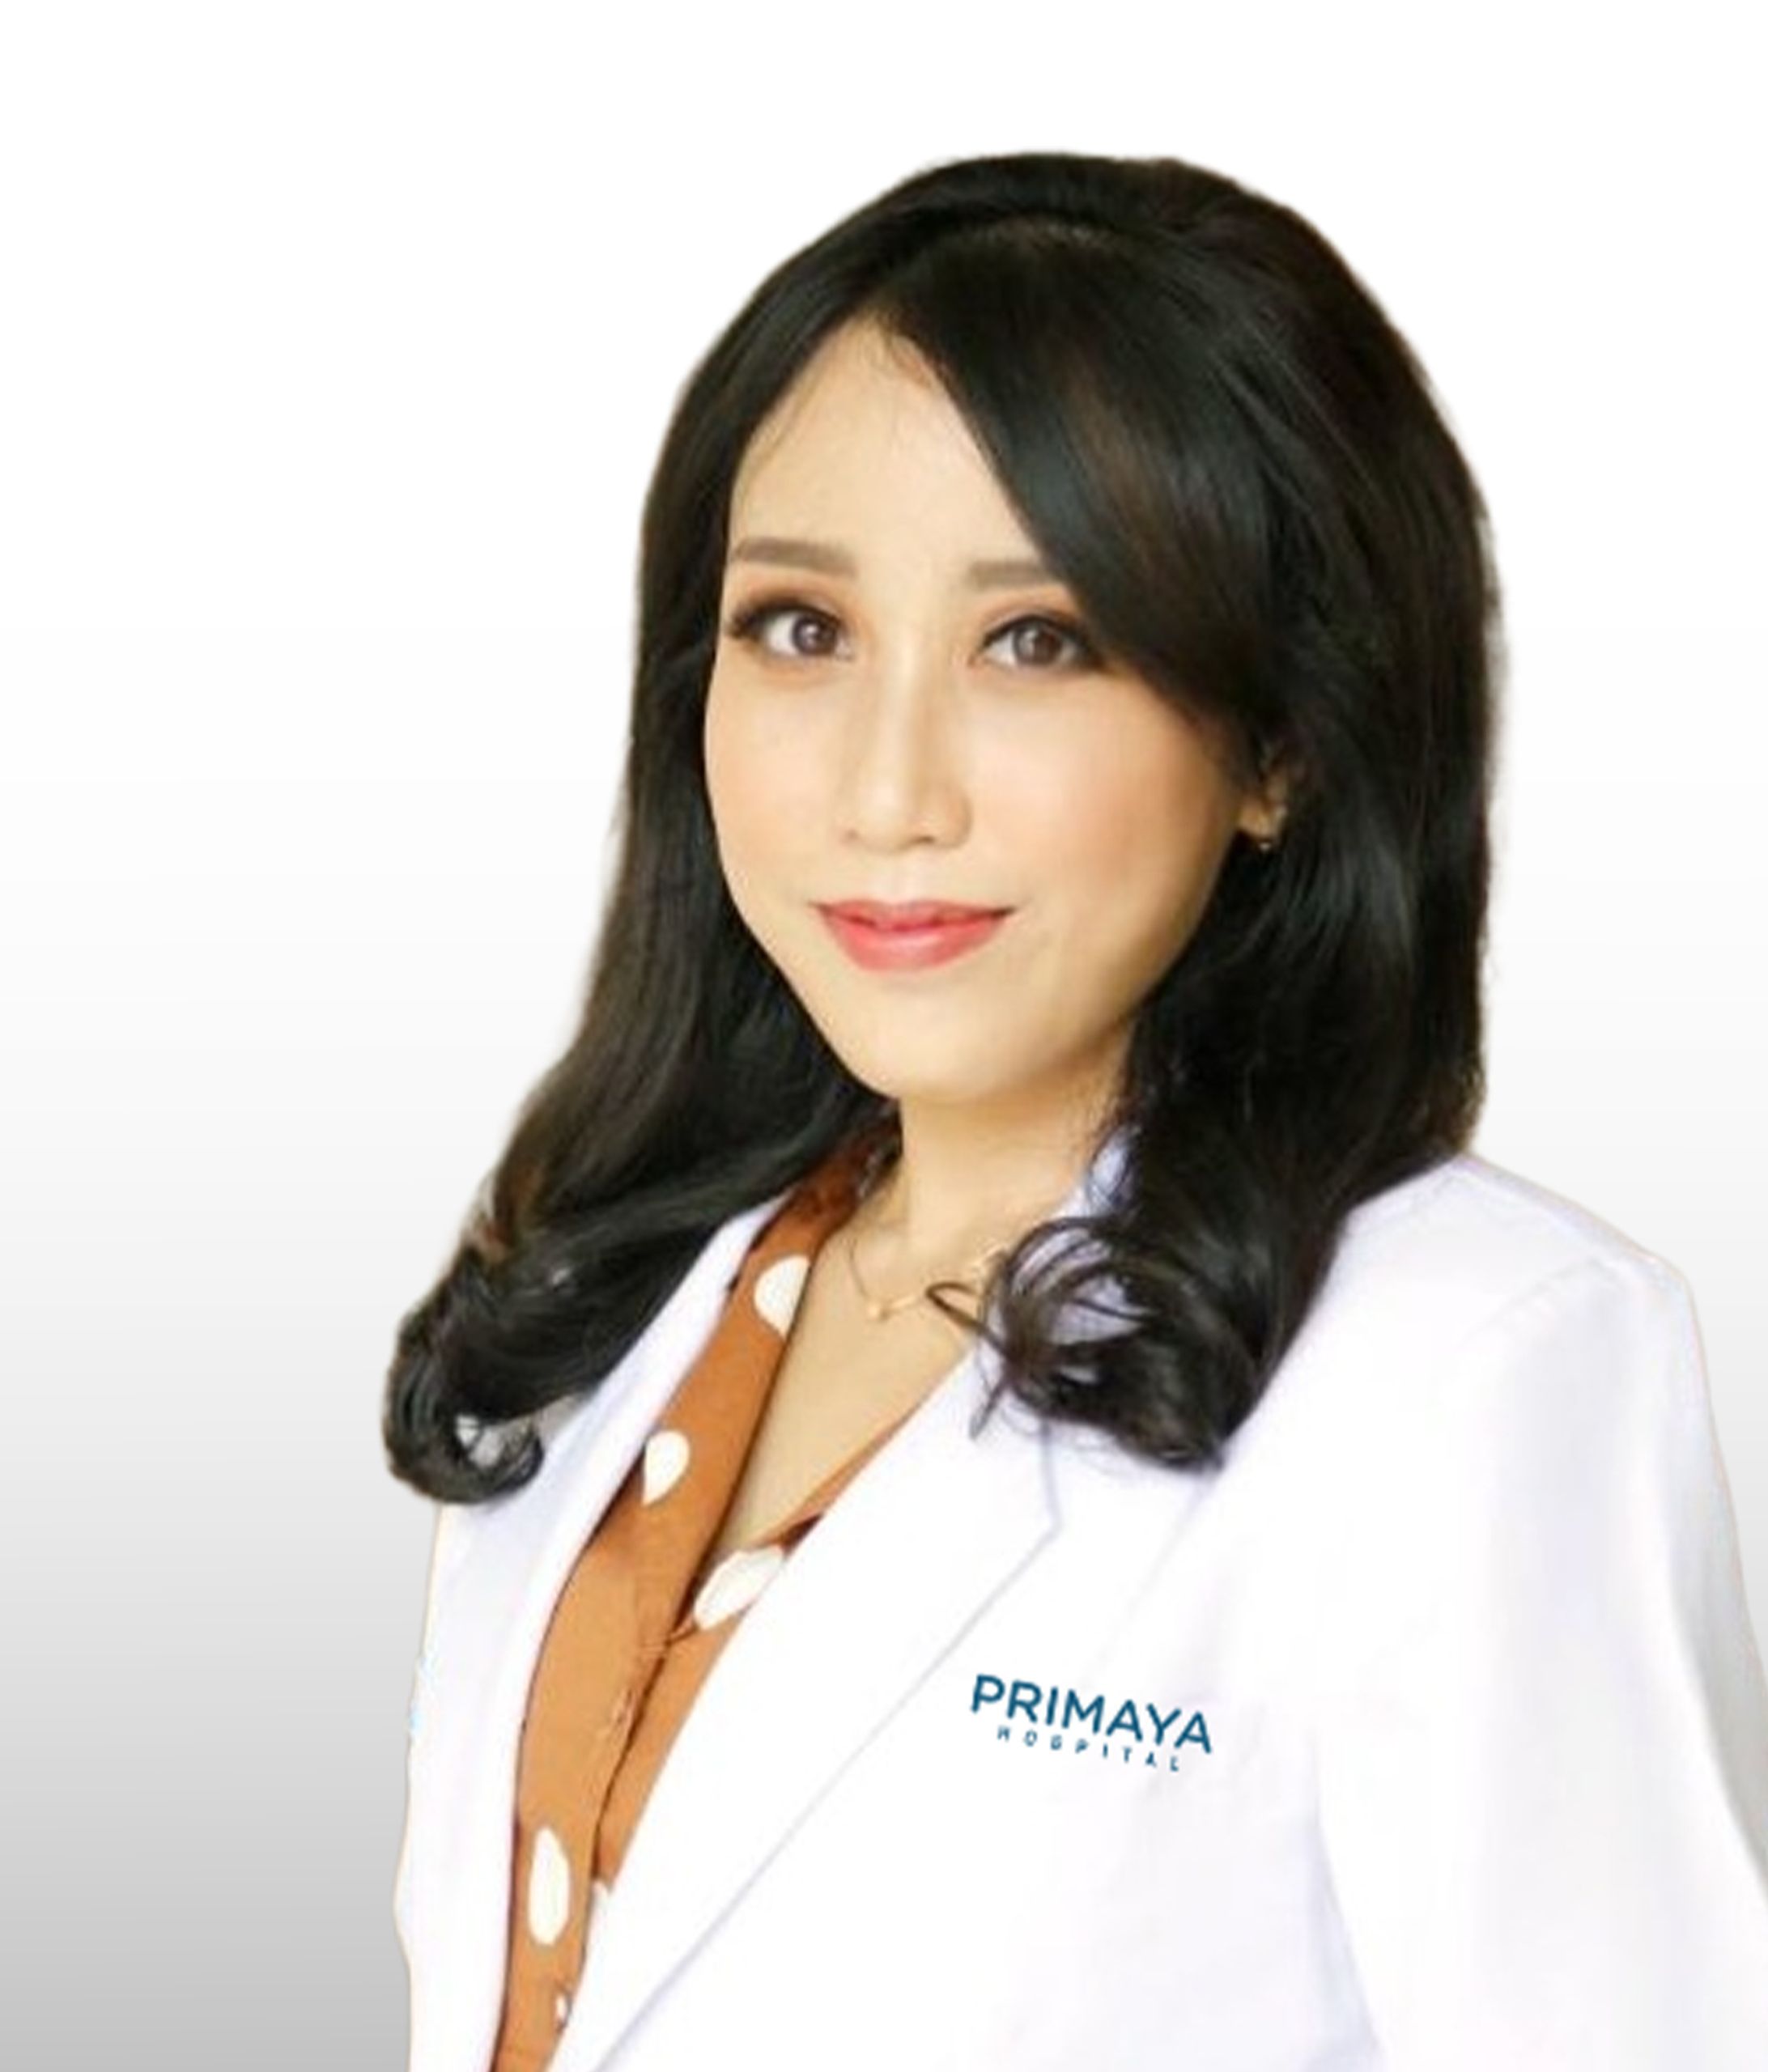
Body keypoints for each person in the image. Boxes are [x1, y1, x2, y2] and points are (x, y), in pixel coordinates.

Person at [382, 151, 1768, 2071]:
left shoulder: (1478, 1366)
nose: (889, 792)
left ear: (1280, 742)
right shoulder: (618, 1289)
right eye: (801, 627)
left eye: (1038, 640)